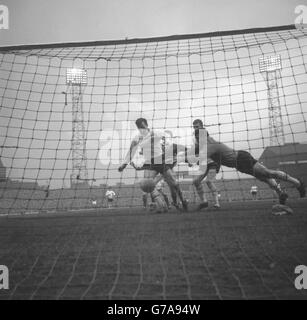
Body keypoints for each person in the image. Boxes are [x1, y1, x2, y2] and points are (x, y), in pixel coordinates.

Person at [192, 119, 306, 205]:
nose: (197, 139)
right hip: (239, 164)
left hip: (242, 159)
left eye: (198, 136)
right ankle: (281, 194)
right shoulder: (206, 144)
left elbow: (198, 158)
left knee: (268, 173)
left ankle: (298, 183)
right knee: (264, 178)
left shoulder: (210, 146)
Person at [118, 118, 188, 212]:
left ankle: (183, 201)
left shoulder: (156, 133)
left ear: (147, 125)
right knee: (148, 185)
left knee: (174, 184)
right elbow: (131, 151)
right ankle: (161, 206)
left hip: (160, 161)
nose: (141, 129)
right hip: (150, 163)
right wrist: (124, 164)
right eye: (139, 127)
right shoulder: (137, 138)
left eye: (142, 126)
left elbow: (168, 141)